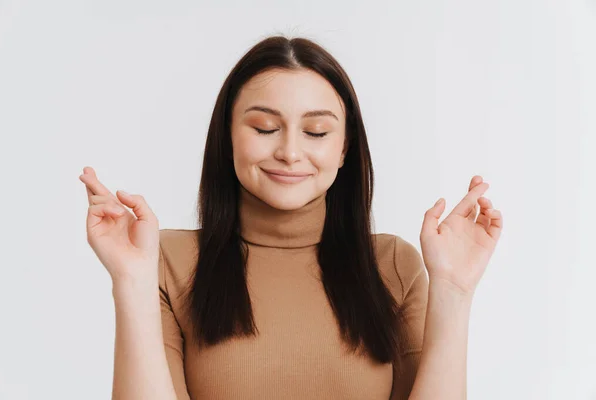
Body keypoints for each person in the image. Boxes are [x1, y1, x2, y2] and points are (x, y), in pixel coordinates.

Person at [79, 35, 502, 400]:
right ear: (227, 136)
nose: (290, 152)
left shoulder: (393, 263)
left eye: (316, 132)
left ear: (344, 148)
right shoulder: (165, 259)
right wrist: (131, 280)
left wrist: (454, 291)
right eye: (264, 128)